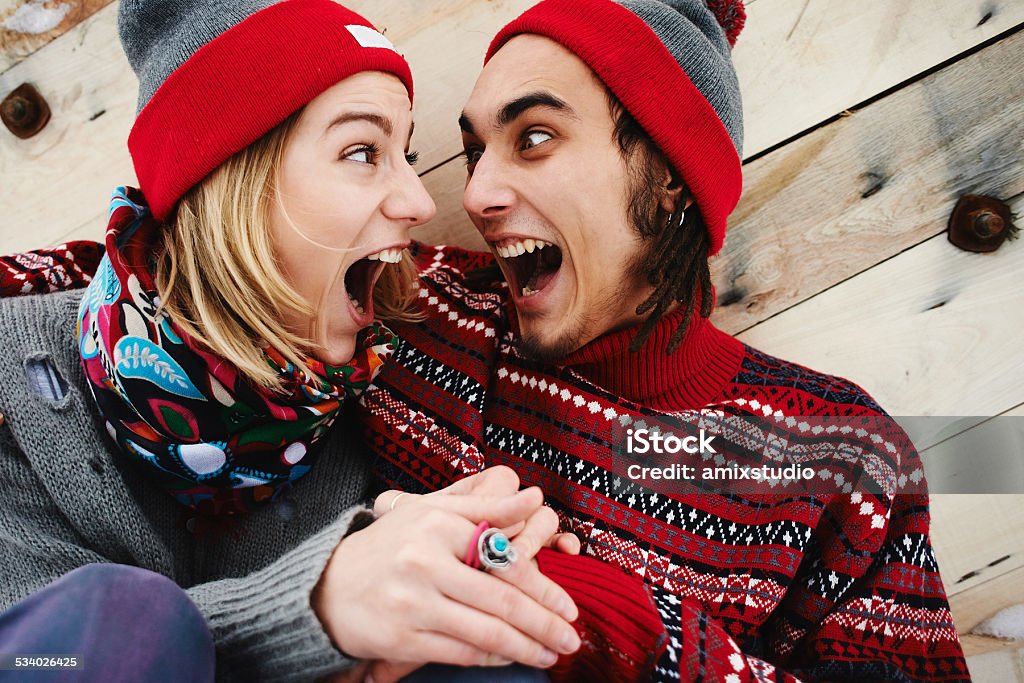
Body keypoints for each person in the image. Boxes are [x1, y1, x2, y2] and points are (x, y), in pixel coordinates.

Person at [358, 0, 972, 681]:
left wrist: (627, 622)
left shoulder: (842, 462)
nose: (477, 192)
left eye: (533, 137)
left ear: (671, 172)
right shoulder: (416, 311)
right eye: (476, 151)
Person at [0, 0, 582, 680]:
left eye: (409, 152)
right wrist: (316, 602)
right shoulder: (15, 381)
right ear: (230, 185)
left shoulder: (384, 385)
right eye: (363, 151)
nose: (420, 201)